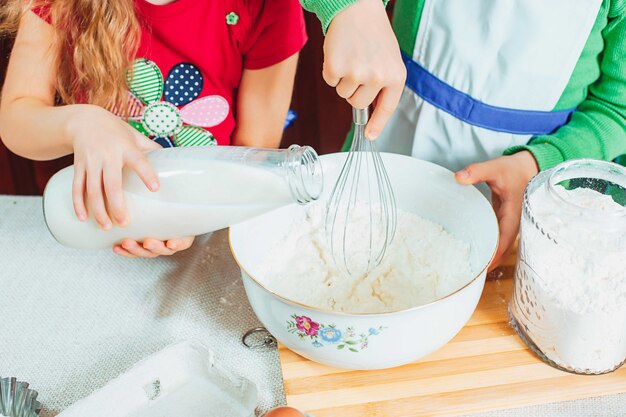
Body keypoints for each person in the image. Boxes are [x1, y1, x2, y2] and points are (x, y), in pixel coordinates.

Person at [302, 0, 626, 267]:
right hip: (388, 148)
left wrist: (536, 165)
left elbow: (616, 110)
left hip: (522, 216)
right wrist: (351, 8)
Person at [0, 0, 307, 257]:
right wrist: (82, 122)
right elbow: (16, 119)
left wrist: (194, 216)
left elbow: (252, 158)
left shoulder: (269, 5)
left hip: (211, 228)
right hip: (92, 227)